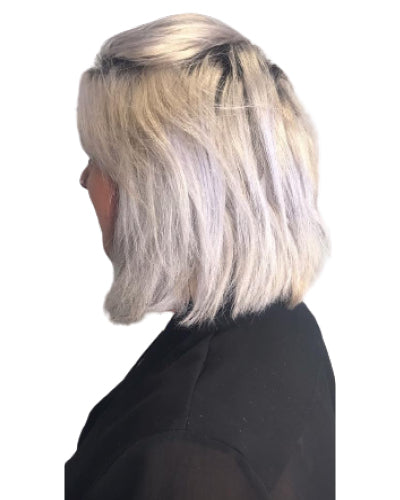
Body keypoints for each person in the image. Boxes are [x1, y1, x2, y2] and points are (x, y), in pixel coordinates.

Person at [65, 13, 335, 500]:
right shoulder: (283, 324)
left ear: (159, 196)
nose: (85, 180)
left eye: (98, 158)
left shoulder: (188, 460)